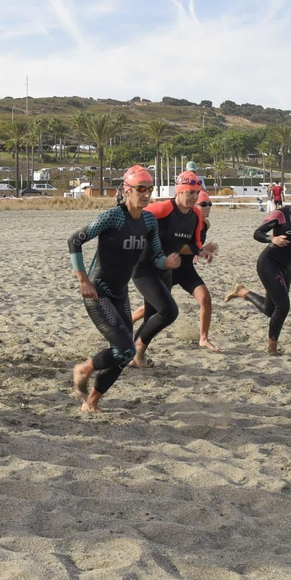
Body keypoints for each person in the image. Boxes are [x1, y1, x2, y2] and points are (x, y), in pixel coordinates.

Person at [68, 165, 176, 412]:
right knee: (126, 349)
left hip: (120, 293)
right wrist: (83, 279)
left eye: (150, 188)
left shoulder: (149, 221)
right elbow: (75, 240)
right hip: (98, 291)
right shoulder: (113, 217)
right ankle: (84, 368)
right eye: (141, 189)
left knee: (124, 354)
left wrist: (166, 262)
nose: (146, 194)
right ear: (127, 191)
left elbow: (157, 256)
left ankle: (91, 402)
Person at [130, 170, 220, 361]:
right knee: (168, 311)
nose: (194, 197)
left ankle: (136, 354)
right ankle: (135, 348)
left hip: (166, 269)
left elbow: (195, 243)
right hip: (144, 268)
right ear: (179, 191)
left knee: (153, 315)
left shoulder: (195, 215)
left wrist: (202, 252)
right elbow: (133, 215)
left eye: (197, 193)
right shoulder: (162, 209)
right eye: (190, 192)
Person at [227, 181, 291, 354]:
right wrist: (272, 239)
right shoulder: (281, 214)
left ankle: (243, 292)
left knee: (270, 309)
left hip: (287, 267)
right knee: (283, 306)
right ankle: (272, 347)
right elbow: (258, 233)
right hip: (269, 263)